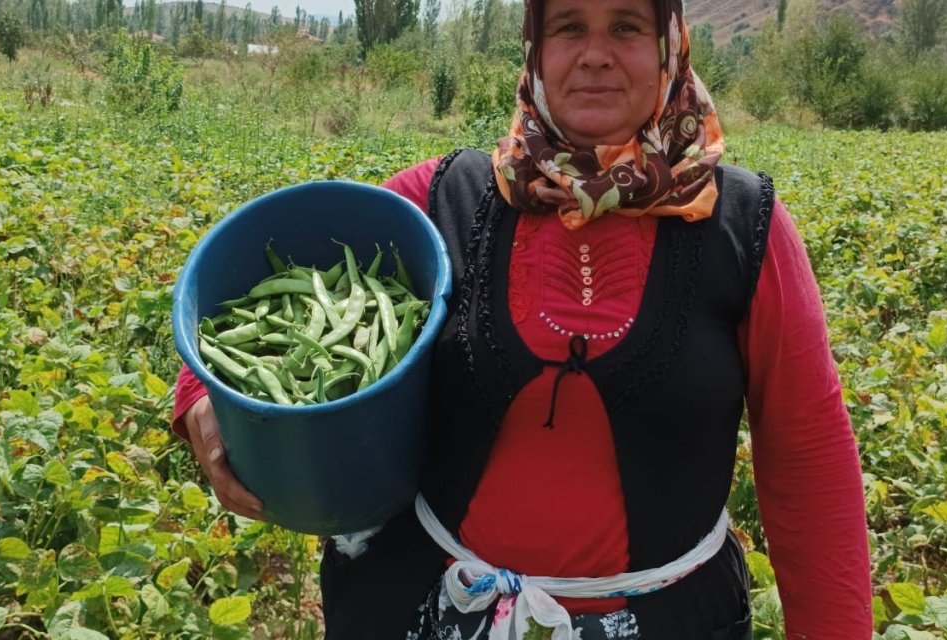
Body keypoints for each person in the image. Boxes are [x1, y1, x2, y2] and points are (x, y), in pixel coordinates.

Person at [172, 0, 873, 638]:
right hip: (425, 607)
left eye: (626, 26)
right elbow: (261, 288)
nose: (594, 53)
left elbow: (809, 460)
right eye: (568, 26)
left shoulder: (743, 226)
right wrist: (201, 396)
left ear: (669, 47)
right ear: (535, 51)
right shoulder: (444, 199)